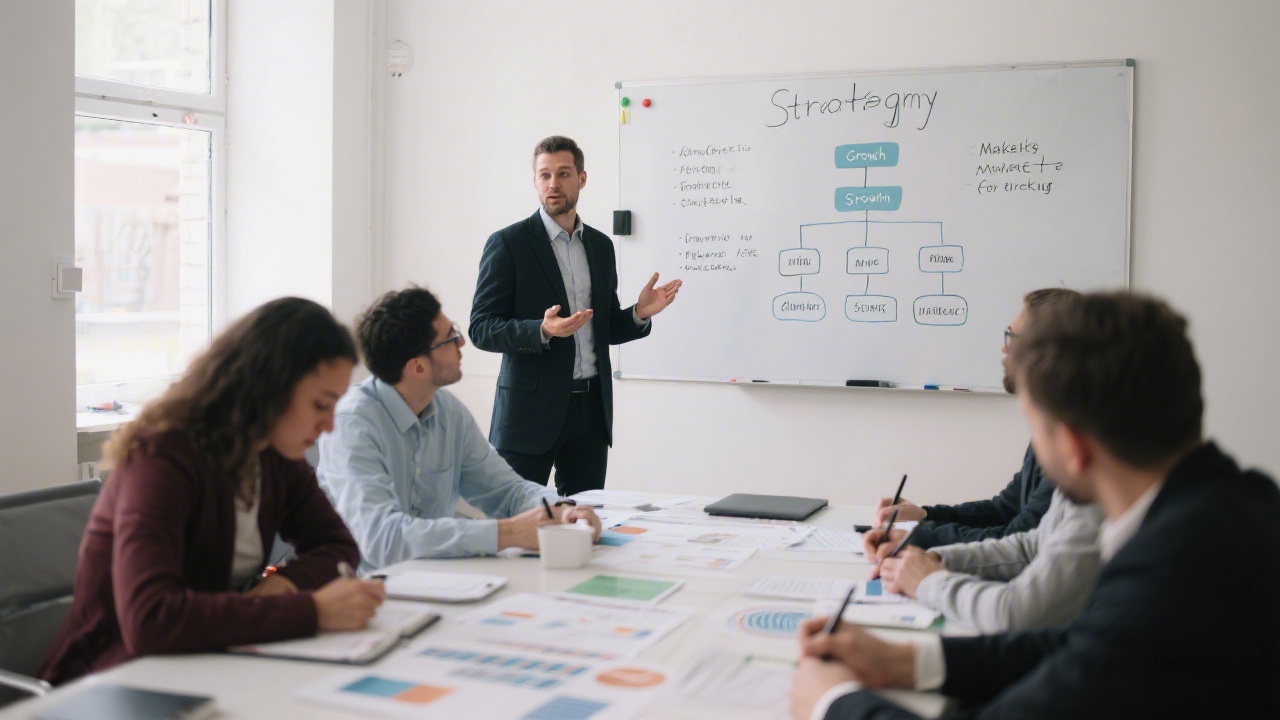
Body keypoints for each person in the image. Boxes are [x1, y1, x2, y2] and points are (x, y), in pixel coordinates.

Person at [791, 291, 1280, 720]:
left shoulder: (1172, 569)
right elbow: (1076, 645)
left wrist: (831, 703)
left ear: (1071, 445)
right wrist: (906, 662)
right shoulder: (1232, 502)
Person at [39, 298, 386, 684]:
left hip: (208, 658)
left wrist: (285, 585)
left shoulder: (273, 454)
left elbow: (338, 544)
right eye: (321, 404)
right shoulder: (164, 458)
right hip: (112, 676)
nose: (329, 426)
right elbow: (150, 619)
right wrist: (310, 611)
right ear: (269, 386)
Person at [317, 286, 603, 569]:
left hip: (438, 579)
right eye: (449, 338)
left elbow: (506, 491)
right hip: (363, 589)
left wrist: (563, 510)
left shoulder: (446, 409)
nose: (462, 342)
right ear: (417, 367)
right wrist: (508, 533)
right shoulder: (352, 423)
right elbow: (384, 541)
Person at [470, 135, 682, 497]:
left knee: (584, 526)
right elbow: (481, 327)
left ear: (581, 178)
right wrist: (542, 330)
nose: (553, 184)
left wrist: (639, 314)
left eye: (564, 173)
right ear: (535, 181)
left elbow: (604, 326)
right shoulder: (508, 244)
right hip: (528, 414)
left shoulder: (600, 247)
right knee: (518, 522)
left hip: (590, 412)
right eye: (545, 175)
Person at [863, 288, 1080, 555]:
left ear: (1045, 350)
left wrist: (918, 537)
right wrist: (925, 515)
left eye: (1013, 337)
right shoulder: (1049, 423)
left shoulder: (1071, 439)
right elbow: (1004, 510)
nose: (1004, 347)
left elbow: (1017, 538)